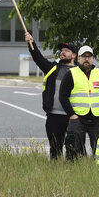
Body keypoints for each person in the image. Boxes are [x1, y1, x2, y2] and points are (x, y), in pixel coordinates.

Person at [25, 32, 76, 160]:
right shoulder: (53, 68)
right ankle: (55, 171)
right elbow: (38, 58)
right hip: (54, 116)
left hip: (74, 117)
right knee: (55, 149)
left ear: (74, 55)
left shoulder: (80, 71)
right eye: (62, 50)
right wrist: (31, 43)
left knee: (73, 150)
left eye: (66, 50)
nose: (62, 52)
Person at [64, 45, 99, 160]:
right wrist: (71, 114)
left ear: (93, 58)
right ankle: (76, 170)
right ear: (78, 58)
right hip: (77, 117)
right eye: (84, 56)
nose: (86, 59)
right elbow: (63, 96)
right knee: (75, 150)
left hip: (96, 117)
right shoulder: (71, 73)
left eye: (89, 56)